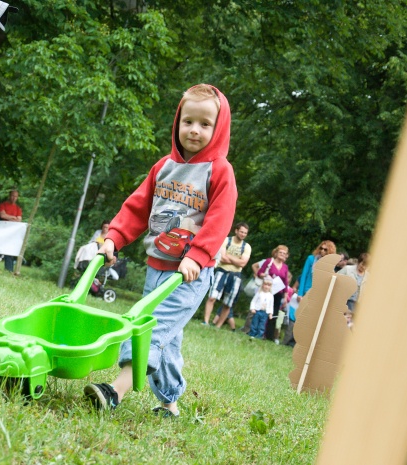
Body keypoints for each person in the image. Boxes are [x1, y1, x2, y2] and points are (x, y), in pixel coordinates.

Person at [83, 84, 237, 418]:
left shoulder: (219, 171)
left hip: (190, 275)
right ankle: (169, 403)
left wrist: (197, 255)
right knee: (167, 337)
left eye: (205, 124)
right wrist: (114, 237)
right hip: (157, 267)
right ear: (177, 123)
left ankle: (116, 391)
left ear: (219, 127)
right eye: (188, 121)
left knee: (147, 327)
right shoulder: (163, 166)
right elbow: (138, 208)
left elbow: (220, 219)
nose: (194, 130)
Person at [202, 222, 252, 329]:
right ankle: (205, 322)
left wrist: (228, 257)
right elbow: (222, 257)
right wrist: (236, 260)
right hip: (222, 271)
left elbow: (243, 263)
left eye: (245, 233)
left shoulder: (246, 247)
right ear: (236, 231)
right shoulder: (226, 240)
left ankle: (218, 326)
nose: (243, 234)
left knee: (228, 303)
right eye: (242, 232)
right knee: (212, 297)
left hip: (236, 275)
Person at [257, 245, 290, 343]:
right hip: (267, 290)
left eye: (285, 253)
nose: (282, 255)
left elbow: (285, 282)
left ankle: (269, 336)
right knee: (262, 312)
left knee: (274, 314)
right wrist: (266, 276)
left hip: (278, 293)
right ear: (276, 253)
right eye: (281, 252)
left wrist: (285, 296)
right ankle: (258, 332)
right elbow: (260, 273)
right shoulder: (269, 261)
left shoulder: (285, 267)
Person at [0, 189, 22, 272]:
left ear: (17, 197)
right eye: (12, 196)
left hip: (12, 232)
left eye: (15, 196)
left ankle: (9, 269)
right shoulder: (3, 205)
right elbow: (2, 215)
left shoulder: (18, 208)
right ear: (9, 196)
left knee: (10, 249)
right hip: (1, 229)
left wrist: (9, 217)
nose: (13, 198)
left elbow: (19, 220)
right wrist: (13, 217)